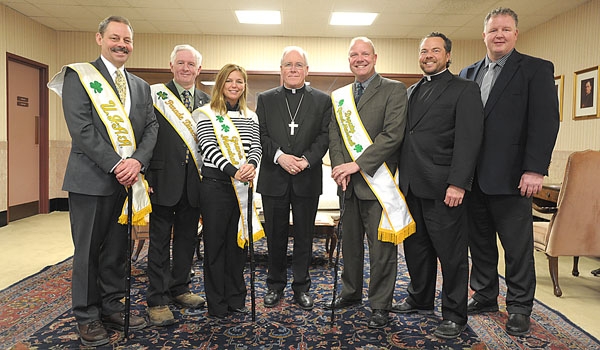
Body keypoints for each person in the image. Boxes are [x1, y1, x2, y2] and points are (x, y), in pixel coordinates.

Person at [47, 15, 157, 346]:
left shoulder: (140, 86)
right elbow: (81, 130)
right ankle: (86, 315)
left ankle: (111, 306)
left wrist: (136, 162)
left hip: (127, 183)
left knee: (117, 252)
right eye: (115, 38)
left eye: (127, 40)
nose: (121, 45)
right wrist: (118, 164)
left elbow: (151, 128)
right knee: (88, 252)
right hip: (90, 181)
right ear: (99, 39)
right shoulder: (79, 77)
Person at [459, 7, 559, 336]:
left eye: (506, 29)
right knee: (481, 244)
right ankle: (486, 295)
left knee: (517, 249)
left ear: (516, 34)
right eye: (493, 30)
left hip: (514, 178)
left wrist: (534, 169)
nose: (499, 35)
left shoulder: (535, 70)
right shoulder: (467, 73)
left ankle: (519, 307)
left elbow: (545, 123)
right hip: (473, 179)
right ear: (484, 35)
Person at [392, 32, 483, 339]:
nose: (428, 55)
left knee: (452, 255)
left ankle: (455, 314)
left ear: (447, 56)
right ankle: (419, 298)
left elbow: (469, 141)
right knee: (416, 250)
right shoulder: (411, 91)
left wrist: (458, 184)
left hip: (445, 188)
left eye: (435, 50)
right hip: (412, 186)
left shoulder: (465, 89)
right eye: (423, 51)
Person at [327, 37, 414, 329]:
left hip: (378, 184)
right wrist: (341, 167)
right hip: (348, 184)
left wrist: (357, 165)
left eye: (365, 54)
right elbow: (335, 135)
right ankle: (350, 292)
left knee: (381, 251)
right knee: (350, 245)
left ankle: (380, 304)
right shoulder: (339, 96)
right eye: (354, 54)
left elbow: (392, 136)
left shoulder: (393, 90)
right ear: (349, 59)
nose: (359, 58)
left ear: (375, 57)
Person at [256, 46, 331, 310]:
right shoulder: (265, 99)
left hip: (306, 177)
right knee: (275, 236)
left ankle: (301, 287)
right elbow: (262, 134)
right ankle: (275, 285)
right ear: (281, 70)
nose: (293, 69)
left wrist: (306, 160)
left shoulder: (322, 100)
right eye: (288, 64)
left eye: (299, 65)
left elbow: (325, 136)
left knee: (304, 236)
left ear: (307, 70)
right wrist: (280, 157)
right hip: (274, 176)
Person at [145, 44, 210, 326]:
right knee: (159, 243)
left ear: (199, 69)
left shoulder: (208, 101)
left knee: (186, 240)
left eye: (191, 64)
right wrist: (142, 176)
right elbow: (143, 135)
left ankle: (180, 288)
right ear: (171, 66)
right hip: (160, 181)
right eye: (180, 63)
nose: (185, 68)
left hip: (194, 183)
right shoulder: (155, 96)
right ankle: (157, 299)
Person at [195, 64, 263, 318]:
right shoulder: (205, 113)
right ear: (221, 84)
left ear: (244, 86)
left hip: (242, 186)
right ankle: (217, 302)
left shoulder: (251, 115)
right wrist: (234, 170)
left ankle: (236, 297)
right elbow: (208, 148)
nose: (234, 85)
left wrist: (252, 164)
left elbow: (256, 146)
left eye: (239, 81)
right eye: (229, 81)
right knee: (216, 245)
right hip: (215, 187)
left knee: (238, 244)